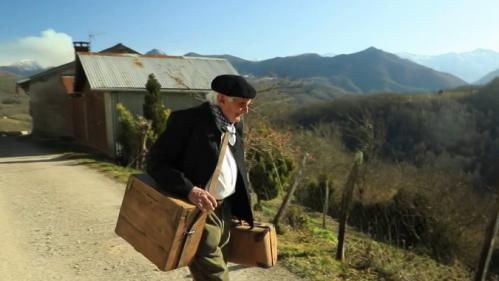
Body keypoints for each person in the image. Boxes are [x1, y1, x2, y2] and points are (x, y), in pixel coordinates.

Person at [146, 74, 256, 281]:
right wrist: (189, 189)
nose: (246, 110)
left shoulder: (236, 125)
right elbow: (156, 163)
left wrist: (246, 200)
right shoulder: (187, 121)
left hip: (225, 211)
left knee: (209, 271)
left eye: (248, 105)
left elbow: (235, 165)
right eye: (242, 104)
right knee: (216, 275)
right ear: (221, 99)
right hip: (198, 212)